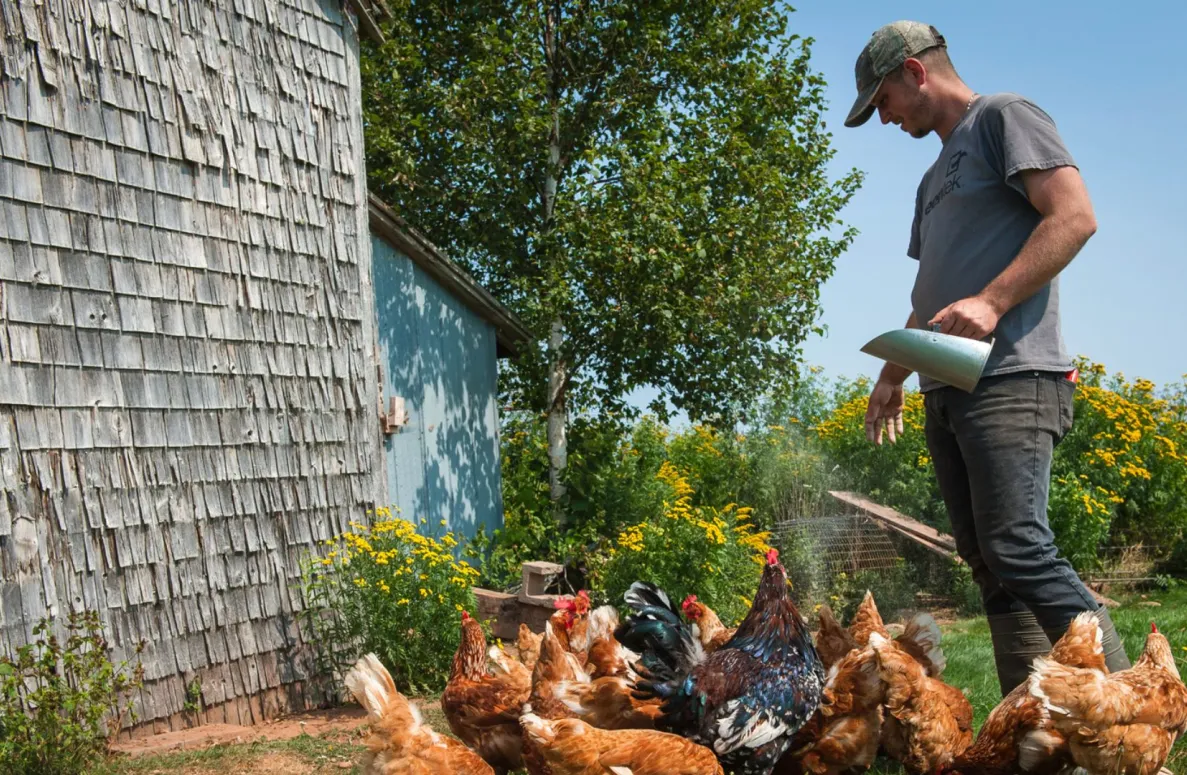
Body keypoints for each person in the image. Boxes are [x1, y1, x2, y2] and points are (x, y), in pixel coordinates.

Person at [843, 20, 1131, 700]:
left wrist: (994, 301)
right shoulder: (931, 181)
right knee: (989, 563)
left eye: (881, 101)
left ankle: (1134, 709)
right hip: (948, 382)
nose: (882, 119)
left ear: (915, 72)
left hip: (1011, 373)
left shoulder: (1003, 117)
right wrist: (892, 373)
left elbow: (1073, 216)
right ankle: (1027, 721)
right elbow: (931, 292)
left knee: (1019, 547)